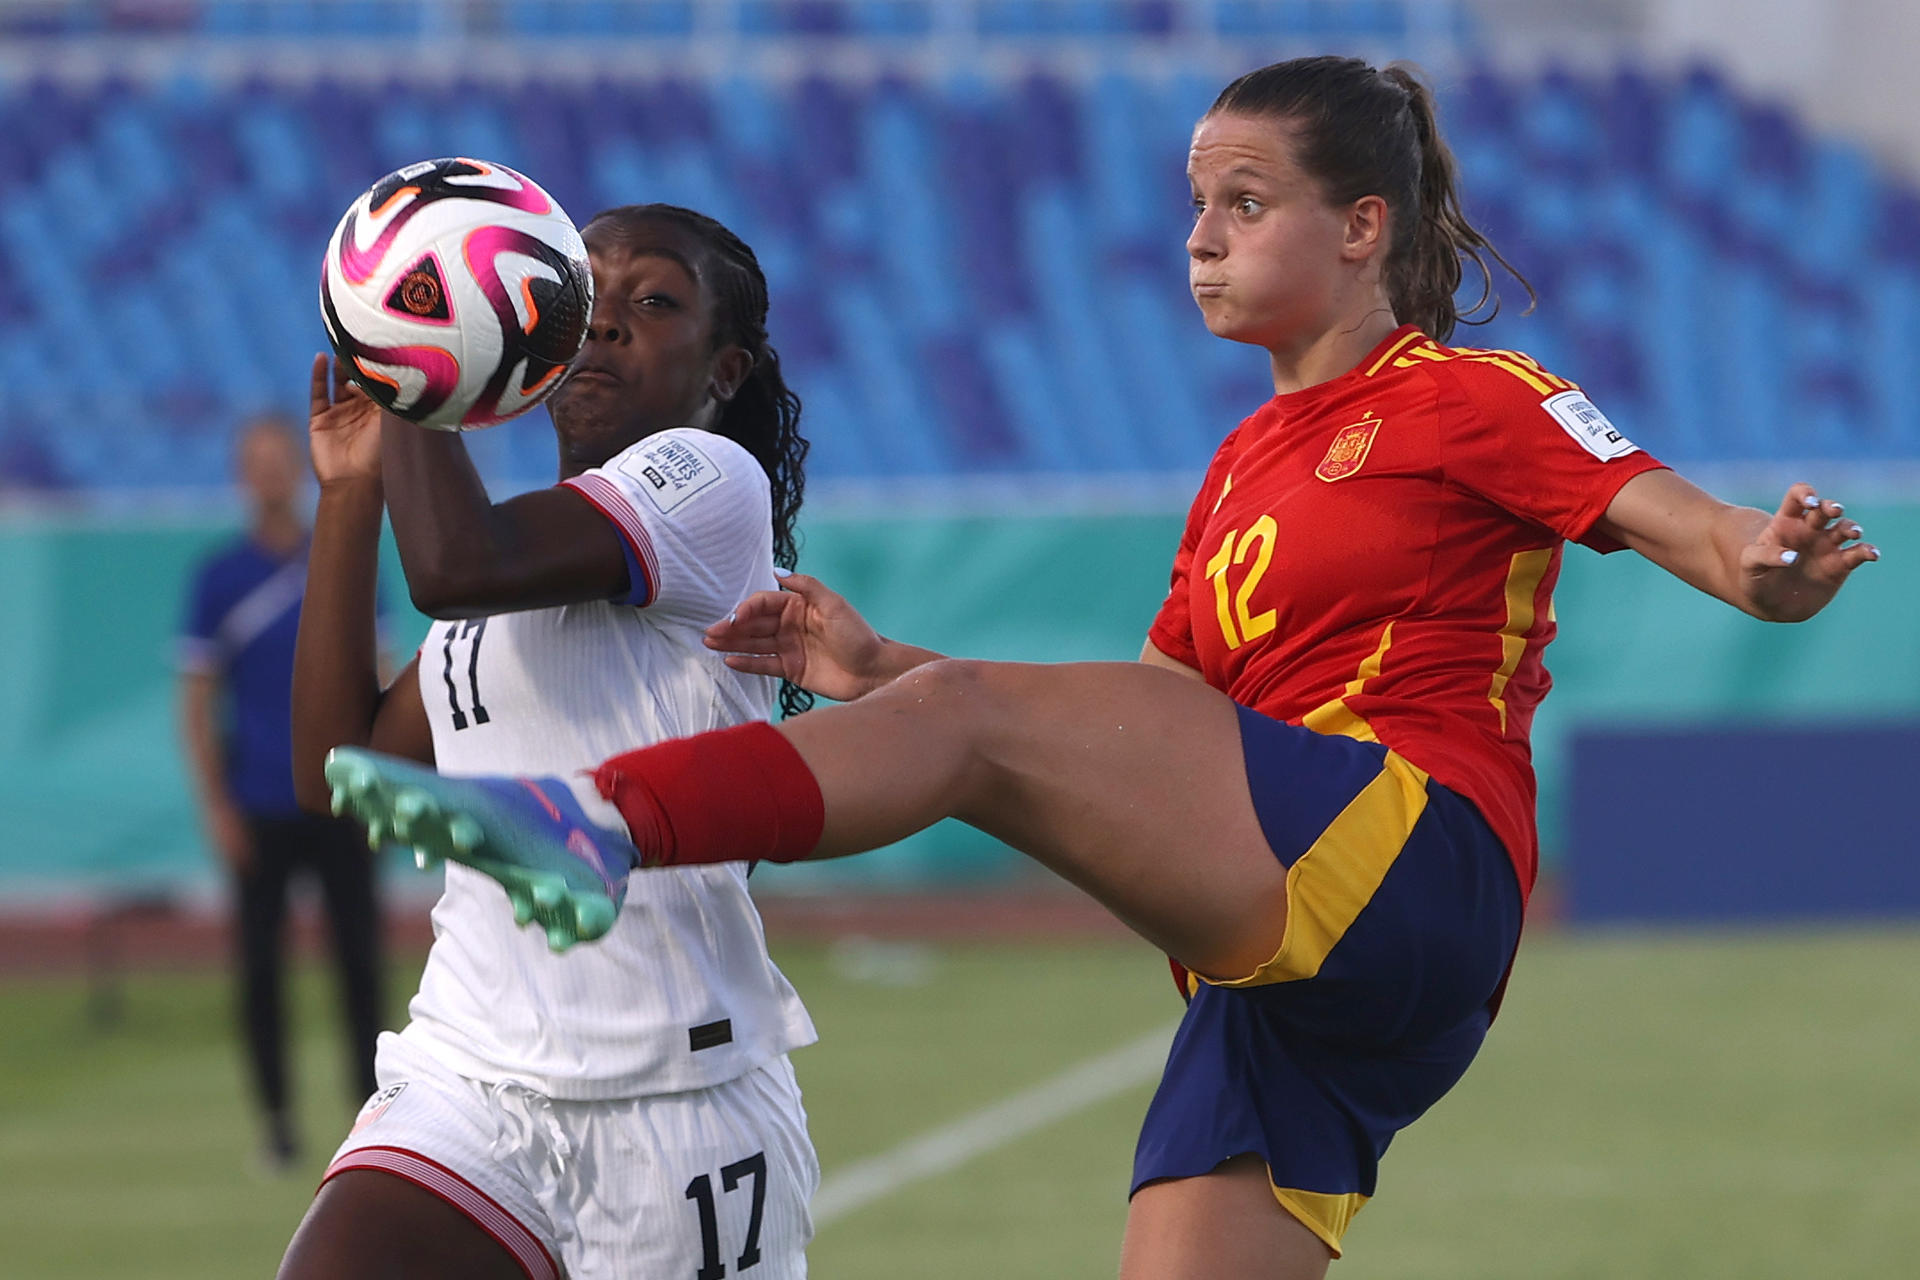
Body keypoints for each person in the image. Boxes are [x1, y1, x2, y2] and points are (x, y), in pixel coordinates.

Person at [323, 58, 1880, 1278]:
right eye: (1195, 200)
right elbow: (1150, 731)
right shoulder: (1236, 472)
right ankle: (628, 814)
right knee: (984, 723)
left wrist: (1767, 558)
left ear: (1363, 228)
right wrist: (886, 668)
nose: (1200, 232)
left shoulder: (1460, 396)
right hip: (1295, 967)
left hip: (1410, 860)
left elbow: (1696, 529)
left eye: (1246, 201)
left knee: (976, 722)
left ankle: (596, 828)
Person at [278, 204, 820, 1280]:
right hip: (470, 1069)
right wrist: (349, 491)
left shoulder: (710, 485)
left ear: (726, 368)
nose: (606, 321)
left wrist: (420, 356)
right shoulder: (512, 546)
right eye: (588, 296)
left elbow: (455, 562)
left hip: (674, 1097)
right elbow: (340, 774)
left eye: (653, 301)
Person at [177, 414, 385, 1171]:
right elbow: (197, 701)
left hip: (341, 801)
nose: (269, 474)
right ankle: (277, 1123)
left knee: (359, 963)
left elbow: (382, 673)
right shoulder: (217, 577)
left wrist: (384, 790)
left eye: (278, 460)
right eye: (254, 462)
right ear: (242, 475)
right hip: (259, 805)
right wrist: (216, 806)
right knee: (261, 971)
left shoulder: (345, 553)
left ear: (298, 467)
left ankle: (373, 1120)